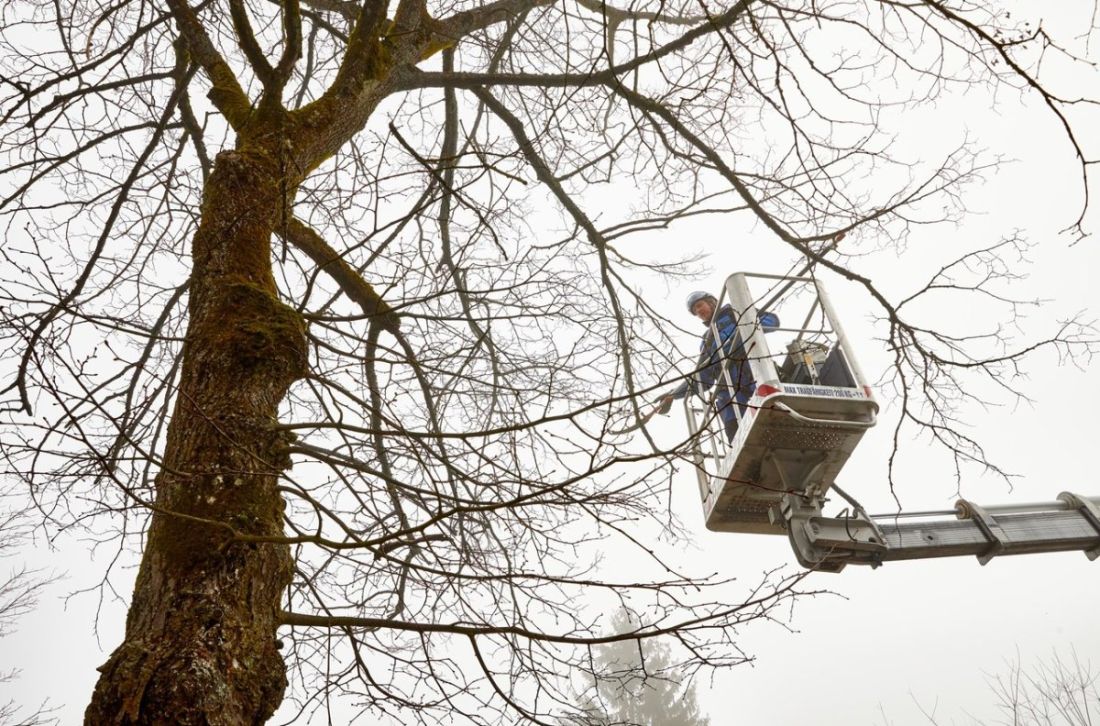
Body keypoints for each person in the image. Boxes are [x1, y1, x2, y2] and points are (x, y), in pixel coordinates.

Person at [660, 291, 779, 441]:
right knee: (735, 435)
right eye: (695, 312)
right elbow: (703, 377)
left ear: (711, 302)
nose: (699, 312)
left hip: (755, 374)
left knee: (773, 419)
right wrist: (673, 394)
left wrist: (738, 335)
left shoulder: (736, 313)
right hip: (731, 393)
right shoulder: (707, 341)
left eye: (699, 305)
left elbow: (772, 321)